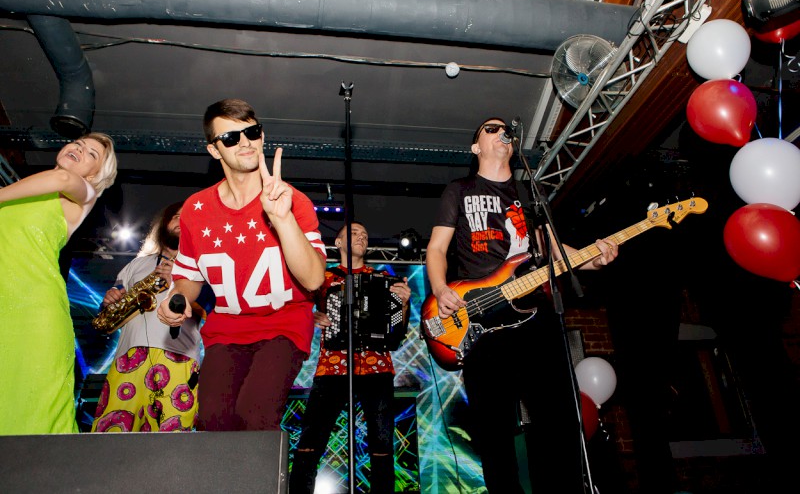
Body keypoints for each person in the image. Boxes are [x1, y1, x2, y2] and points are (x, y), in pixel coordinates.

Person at [425, 117, 618, 493]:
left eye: (505, 130)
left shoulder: (528, 195)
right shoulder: (459, 190)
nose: (501, 133)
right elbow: (436, 248)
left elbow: (554, 250)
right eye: (490, 128)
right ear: (476, 147)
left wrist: (595, 258)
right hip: (481, 321)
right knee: (494, 432)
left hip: (535, 318)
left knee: (556, 422)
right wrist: (440, 287)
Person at [157, 98, 326, 431]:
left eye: (252, 132)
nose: (246, 142)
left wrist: (283, 218)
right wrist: (176, 298)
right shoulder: (196, 209)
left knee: (255, 415)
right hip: (228, 328)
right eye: (231, 138)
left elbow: (313, 279)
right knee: (213, 422)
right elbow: (189, 277)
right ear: (214, 150)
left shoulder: (292, 200)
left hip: (284, 323)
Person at [0, 132, 117, 435]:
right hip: (3, 304)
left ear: (94, 175)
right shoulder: (21, 193)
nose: (80, 149)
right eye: (78, 144)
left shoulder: (82, 196)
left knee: (34, 407)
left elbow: (62, 179)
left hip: (33, 312)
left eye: (92, 154)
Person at [289, 221, 412, 494]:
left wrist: (403, 305)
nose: (361, 237)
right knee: (311, 441)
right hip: (332, 367)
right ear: (338, 242)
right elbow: (297, 309)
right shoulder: (321, 277)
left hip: (377, 367)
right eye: (354, 233)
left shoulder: (383, 278)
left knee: (382, 444)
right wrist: (312, 317)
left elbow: (396, 334)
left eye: (365, 234)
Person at [92, 201, 204, 432]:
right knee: (112, 435)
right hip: (128, 357)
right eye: (175, 216)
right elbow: (111, 311)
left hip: (179, 358)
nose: (181, 221)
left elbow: (209, 310)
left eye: (188, 218)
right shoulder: (135, 265)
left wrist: (178, 285)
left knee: (172, 441)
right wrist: (110, 300)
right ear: (164, 224)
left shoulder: (202, 268)